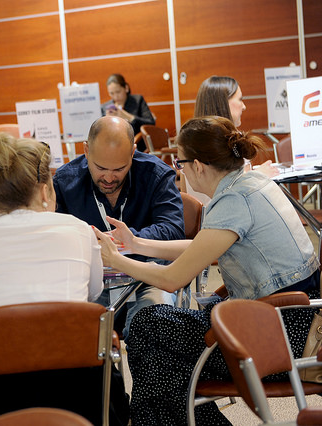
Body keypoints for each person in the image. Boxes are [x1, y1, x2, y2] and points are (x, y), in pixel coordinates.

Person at [94, 116, 320, 425]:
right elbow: (202, 246)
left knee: (151, 331)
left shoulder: (233, 201)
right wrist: (135, 243)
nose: (180, 171)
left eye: (181, 163)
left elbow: (172, 279)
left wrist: (116, 260)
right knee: (157, 346)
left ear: (198, 166)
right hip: (293, 319)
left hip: (280, 333)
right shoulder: (252, 184)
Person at [0, 133, 129, 426]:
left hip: (1, 386)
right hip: (80, 382)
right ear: (43, 190)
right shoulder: (79, 229)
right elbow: (93, 294)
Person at [53, 116, 184, 338]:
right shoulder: (65, 182)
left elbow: (173, 231)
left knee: (155, 320)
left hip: (148, 277)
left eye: (119, 169)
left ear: (133, 152)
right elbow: (58, 238)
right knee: (68, 330)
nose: (109, 178)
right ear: (86, 150)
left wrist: (126, 240)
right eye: (100, 168)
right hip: (92, 281)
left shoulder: (156, 175)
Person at [191, 75, 277, 204]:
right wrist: (259, 175)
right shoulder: (222, 145)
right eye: (240, 99)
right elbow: (233, 192)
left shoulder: (191, 141)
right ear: (223, 103)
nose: (244, 106)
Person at [100, 74, 155, 151]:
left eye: (118, 92)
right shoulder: (106, 107)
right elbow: (100, 133)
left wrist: (127, 116)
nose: (115, 96)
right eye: (111, 93)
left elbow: (151, 123)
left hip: (137, 146)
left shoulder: (138, 101)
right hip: (113, 148)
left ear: (126, 88)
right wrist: (106, 120)